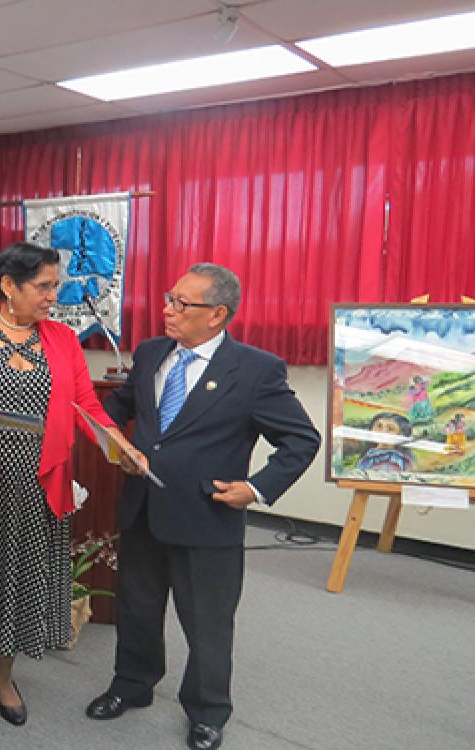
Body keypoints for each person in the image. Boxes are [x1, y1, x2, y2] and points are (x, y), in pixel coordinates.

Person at [84, 263, 320, 750]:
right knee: (137, 608)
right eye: (169, 298)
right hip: (143, 507)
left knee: (207, 622)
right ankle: (131, 685)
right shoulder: (150, 353)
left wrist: (256, 488)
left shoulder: (256, 370)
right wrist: (111, 436)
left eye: (181, 303)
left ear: (217, 314)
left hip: (208, 516)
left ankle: (208, 711)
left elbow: (301, 439)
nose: (167, 310)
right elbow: (121, 405)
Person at [0, 242, 147, 731]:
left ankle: (5, 677)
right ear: (9, 285)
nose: (53, 296)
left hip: (37, 488)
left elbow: (87, 405)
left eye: (55, 286)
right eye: (44, 286)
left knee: (21, 584)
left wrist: (120, 447)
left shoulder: (62, 339)